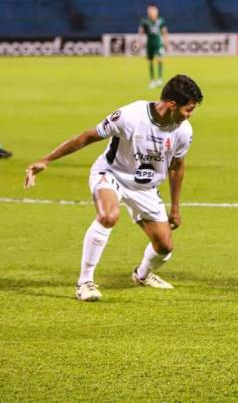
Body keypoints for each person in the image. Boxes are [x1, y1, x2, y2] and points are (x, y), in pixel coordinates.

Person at [24, 75, 203, 302]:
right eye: (189, 109)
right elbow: (89, 136)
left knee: (165, 247)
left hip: (145, 188)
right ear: (172, 105)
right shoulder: (131, 116)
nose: (190, 115)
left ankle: (142, 275)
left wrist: (175, 207)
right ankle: (85, 282)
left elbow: (177, 167)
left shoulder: (183, 130)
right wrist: (46, 160)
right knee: (109, 216)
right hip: (111, 175)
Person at [139, 4, 169, 89]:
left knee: (159, 59)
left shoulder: (161, 20)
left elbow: (164, 32)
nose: (151, 12)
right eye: (149, 11)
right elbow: (141, 32)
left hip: (158, 43)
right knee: (150, 61)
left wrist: (166, 42)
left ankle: (159, 79)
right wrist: (139, 42)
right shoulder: (145, 21)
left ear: (156, 12)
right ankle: (152, 80)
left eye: (152, 11)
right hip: (149, 43)